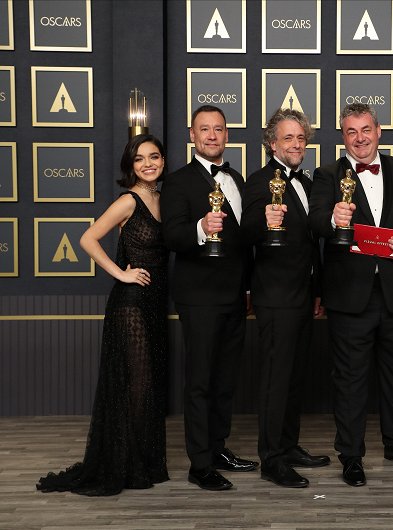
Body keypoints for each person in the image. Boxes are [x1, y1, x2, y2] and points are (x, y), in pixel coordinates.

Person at [36, 134, 170, 496]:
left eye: (154, 157)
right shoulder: (127, 201)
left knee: (149, 387)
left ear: (162, 160)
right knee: (136, 385)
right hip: (130, 303)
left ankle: (140, 461)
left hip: (156, 303)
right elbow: (88, 238)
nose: (148, 164)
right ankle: (124, 465)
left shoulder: (162, 198)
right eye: (139, 159)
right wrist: (122, 273)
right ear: (131, 166)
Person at [309, 103, 393, 487]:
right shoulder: (327, 175)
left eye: (365, 130)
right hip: (350, 296)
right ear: (342, 136)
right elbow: (316, 221)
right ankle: (351, 454)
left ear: (378, 131)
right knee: (350, 379)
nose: (359, 138)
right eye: (350, 131)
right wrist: (333, 220)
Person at [160, 105, 258, 491]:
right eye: (205, 130)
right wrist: (201, 227)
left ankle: (218, 449)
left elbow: (244, 241)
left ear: (227, 135)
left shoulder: (236, 177)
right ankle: (200, 464)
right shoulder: (178, 182)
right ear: (192, 135)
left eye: (219, 129)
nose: (213, 136)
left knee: (224, 379)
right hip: (198, 296)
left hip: (235, 295)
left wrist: (248, 286)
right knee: (200, 380)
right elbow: (172, 237)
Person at [241, 108, 330, 488]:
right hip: (275, 295)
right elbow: (245, 230)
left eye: (300, 138)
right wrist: (265, 220)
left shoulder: (308, 183)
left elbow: (313, 244)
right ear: (272, 143)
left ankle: (289, 445)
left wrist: (318, 290)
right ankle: (272, 458)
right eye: (288, 138)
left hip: (303, 294)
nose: (296, 144)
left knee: (295, 377)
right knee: (276, 379)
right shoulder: (260, 181)